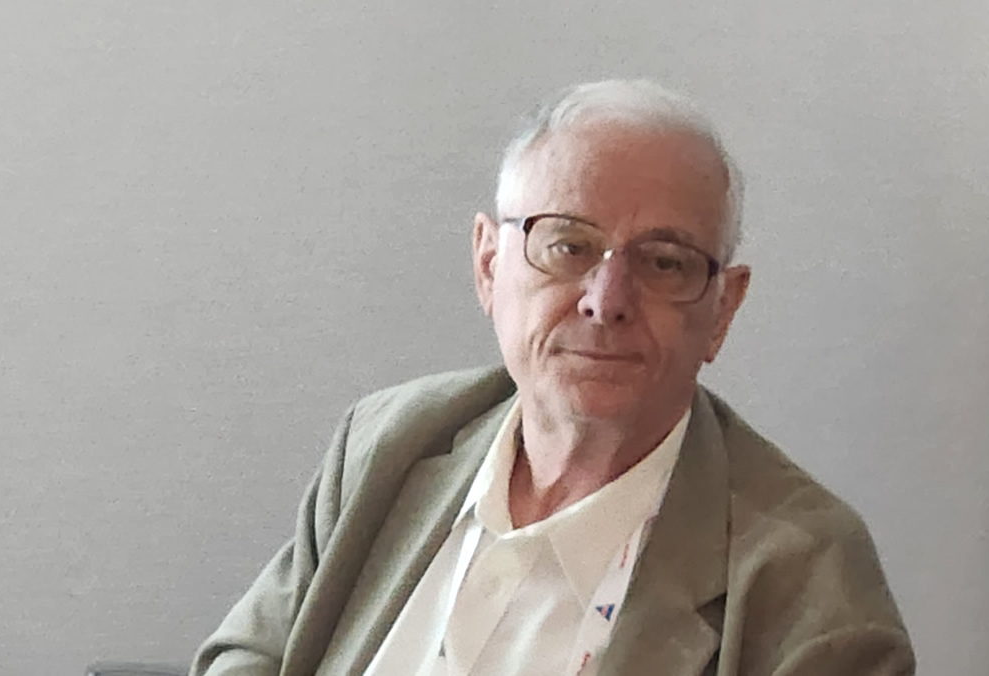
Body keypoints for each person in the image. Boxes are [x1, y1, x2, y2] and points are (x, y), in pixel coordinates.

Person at [190, 79, 915, 676]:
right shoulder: (389, 443)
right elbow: (249, 657)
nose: (607, 300)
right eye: (569, 245)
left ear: (722, 309)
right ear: (488, 265)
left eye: (664, 262)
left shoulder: (808, 580)